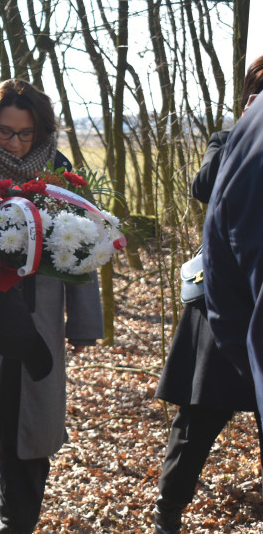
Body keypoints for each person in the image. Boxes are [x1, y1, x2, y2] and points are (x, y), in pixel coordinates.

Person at [0, 79, 104, 534]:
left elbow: (85, 244)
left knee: (28, 439)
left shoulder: (58, 170)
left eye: (27, 134)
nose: (16, 144)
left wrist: (84, 324)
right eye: (5, 132)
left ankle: (17, 526)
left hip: (37, 324)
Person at [153, 58, 263, 534]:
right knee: (198, 417)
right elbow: (203, 187)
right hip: (220, 301)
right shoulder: (227, 139)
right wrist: (245, 132)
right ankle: (168, 511)